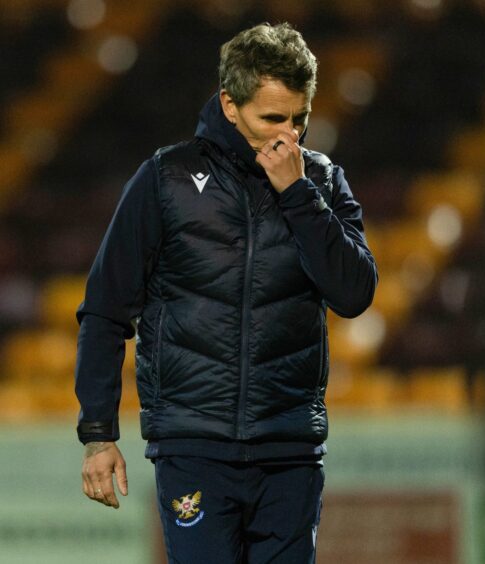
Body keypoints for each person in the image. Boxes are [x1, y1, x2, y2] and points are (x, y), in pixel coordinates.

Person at [75, 22, 378, 563]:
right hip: (194, 447)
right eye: (273, 119)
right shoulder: (165, 179)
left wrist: (297, 195)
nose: (290, 136)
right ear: (230, 105)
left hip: (289, 450)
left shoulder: (324, 184)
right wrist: (99, 435)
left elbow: (354, 294)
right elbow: (105, 308)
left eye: (300, 119)